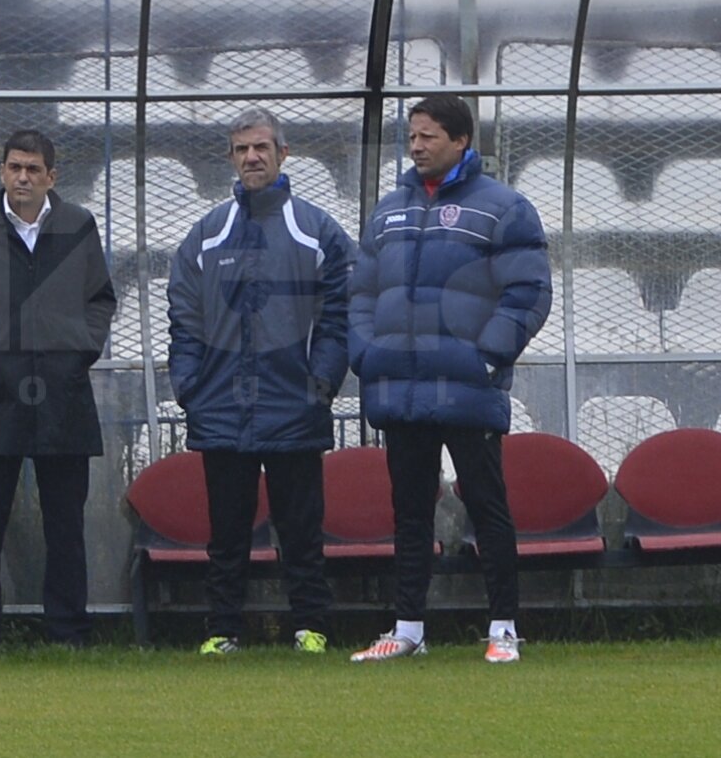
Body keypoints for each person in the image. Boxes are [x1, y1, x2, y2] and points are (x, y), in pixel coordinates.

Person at [348, 95, 552, 664]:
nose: (416, 146)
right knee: (410, 512)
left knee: (486, 506)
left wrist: (486, 358)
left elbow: (528, 292)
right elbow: (360, 292)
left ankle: (503, 629)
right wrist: (367, 353)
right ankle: (408, 630)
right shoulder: (388, 210)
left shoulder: (504, 208)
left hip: (467, 386)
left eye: (428, 136)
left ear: (461, 141)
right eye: (412, 136)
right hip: (400, 387)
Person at [166, 106, 353, 655]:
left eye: (262, 148)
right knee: (226, 533)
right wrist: (190, 387)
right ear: (230, 157)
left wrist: (321, 383)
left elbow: (341, 314)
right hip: (221, 408)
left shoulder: (316, 230)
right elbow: (184, 316)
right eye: (242, 149)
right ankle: (222, 630)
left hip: (296, 406)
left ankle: (311, 627)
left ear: (282, 154)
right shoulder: (207, 234)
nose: (252, 157)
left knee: (301, 530)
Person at [0, 129, 116, 655]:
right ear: (1, 171)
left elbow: (100, 300)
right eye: (14, 167)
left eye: (34, 169)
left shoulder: (78, 225)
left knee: (66, 523)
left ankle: (69, 633)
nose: (22, 177)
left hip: (63, 392)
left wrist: (79, 352)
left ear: (51, 177)